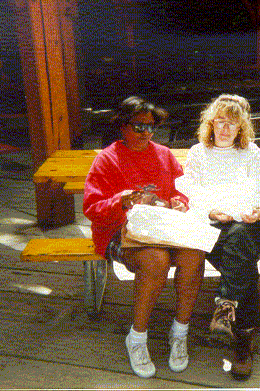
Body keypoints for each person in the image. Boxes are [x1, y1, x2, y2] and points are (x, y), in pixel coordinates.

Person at [83, 96, 206, 379]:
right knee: (155, 260)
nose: (147, 133)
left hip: (162, 228)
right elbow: (92, 209)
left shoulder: (163, 154)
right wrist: (121, 201)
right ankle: (137, 337)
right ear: (123, 127)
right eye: (139, 127)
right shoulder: (107, 158)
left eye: (151, 128)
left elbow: (181, 190)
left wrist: (179, 201)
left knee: (194, 254)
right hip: (119, 232)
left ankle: (179, 332)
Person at [176, 94, 260, 380]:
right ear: (211, 123)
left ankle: (227, 306)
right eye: (220, 122)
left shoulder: (251, 153)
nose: (225, 129)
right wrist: (213, 212)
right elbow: (190, 193)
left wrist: (258, 209)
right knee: (243, 262)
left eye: (232, 123)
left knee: (241, 236)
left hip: (243, 222)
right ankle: (241, 337)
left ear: (242, 126)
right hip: (211, 222)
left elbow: (259, 193)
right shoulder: (197, 153)